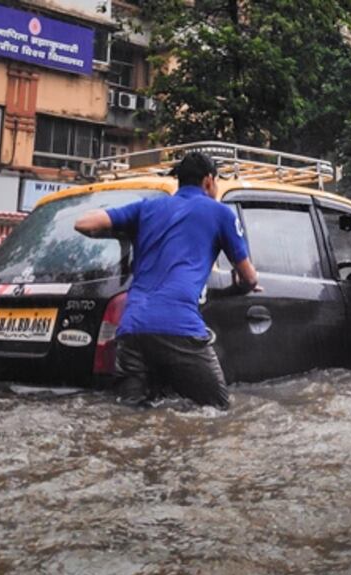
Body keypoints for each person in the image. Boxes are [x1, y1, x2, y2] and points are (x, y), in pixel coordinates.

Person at [74, 152, 259, 409]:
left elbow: (83, 223)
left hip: (132, 329)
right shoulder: (220, 213)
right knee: (219, 412)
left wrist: (123, 230)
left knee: (129, 416)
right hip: (179, 327)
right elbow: (249, 277)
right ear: (208, 181)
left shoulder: (147, 208)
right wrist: (243, 285)